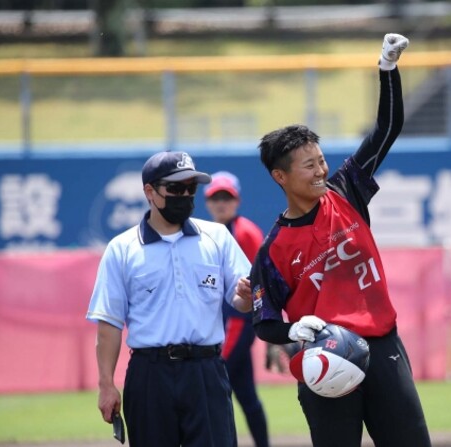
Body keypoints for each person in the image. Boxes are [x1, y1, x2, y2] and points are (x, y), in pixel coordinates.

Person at [249, 33, 431, 447]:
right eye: (308, 166)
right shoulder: (273, 249)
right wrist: (295, 330)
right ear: (280, 176)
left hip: (383, 348)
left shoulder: (345, 190)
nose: (319, 171)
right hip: (323, 360)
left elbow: (387, 129)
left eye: (321, 161)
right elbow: (265, 323)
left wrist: (387, 69)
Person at [86, 151, 253, 447]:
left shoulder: (217, 237)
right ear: (150, 192)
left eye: (191, 188)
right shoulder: (122, 249)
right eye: (175, 188)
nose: (185, 195)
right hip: (150, 375)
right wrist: (106, 384)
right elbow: (109, 323)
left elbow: (242, 301)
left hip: (206, 371)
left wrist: (248, 297)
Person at [204, 171, 269, 447]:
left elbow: (264, 278)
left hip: (237, 324)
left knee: (216, 388)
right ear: (207, 202)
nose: (221, 203)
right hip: (228, 323)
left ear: (237, 200)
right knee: (245, 394)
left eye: (226, 197)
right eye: (215, 197)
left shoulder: (244, 232)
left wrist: (270, 326)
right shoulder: (212, 233)